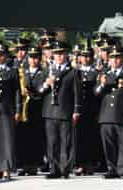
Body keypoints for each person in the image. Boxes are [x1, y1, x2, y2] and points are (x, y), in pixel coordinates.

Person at [95, 45, 123, 179]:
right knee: (108, 144)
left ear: (122, 59)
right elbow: (96, 93)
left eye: (118, 58)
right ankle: (111, 168)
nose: (115, 61)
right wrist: (102, 84)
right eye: (112, 58)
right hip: (106, 114)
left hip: (122, 113)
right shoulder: (104, 74)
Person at [40, 41, 82, 179]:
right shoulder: (47, 71)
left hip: (66, 111)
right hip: (50, 111)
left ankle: (65, 169)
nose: (59, 57)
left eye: (61, 54)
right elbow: (39, 91)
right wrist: (47, 84)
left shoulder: (73, 72)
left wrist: (76, 110)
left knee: (66, 141)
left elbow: (77, 93)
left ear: (66, 55)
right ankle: (54, 169)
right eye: (57, 54)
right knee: (52, 142)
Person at [16, 47, 47, 176]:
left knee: (36, 137)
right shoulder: (23, 72)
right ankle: (24, 164)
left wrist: (33, 93)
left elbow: (44, 91)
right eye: (31, 58)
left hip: (37, 107)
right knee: (24, 137)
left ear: (39, 59)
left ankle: (34, 164)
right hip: (25, 109)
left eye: (36, 58)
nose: (33, 60)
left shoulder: (44, 72)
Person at [0, 44, 22, 182]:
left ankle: (6, 168)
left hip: (7, 109)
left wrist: (18, 110)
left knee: (7, 139)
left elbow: (17, 92)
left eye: (2, 54)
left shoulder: (12, 71)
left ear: (6, 56)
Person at [74, 43, 100, 176]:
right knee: (78, 137)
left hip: (92, 109)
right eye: (83, 56)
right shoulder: (75, 72)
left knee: (91, 137)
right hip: (78, 109)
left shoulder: (96, 72)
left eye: (88, 56)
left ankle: (90, 163)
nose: (86, 59)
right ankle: (79, 163)